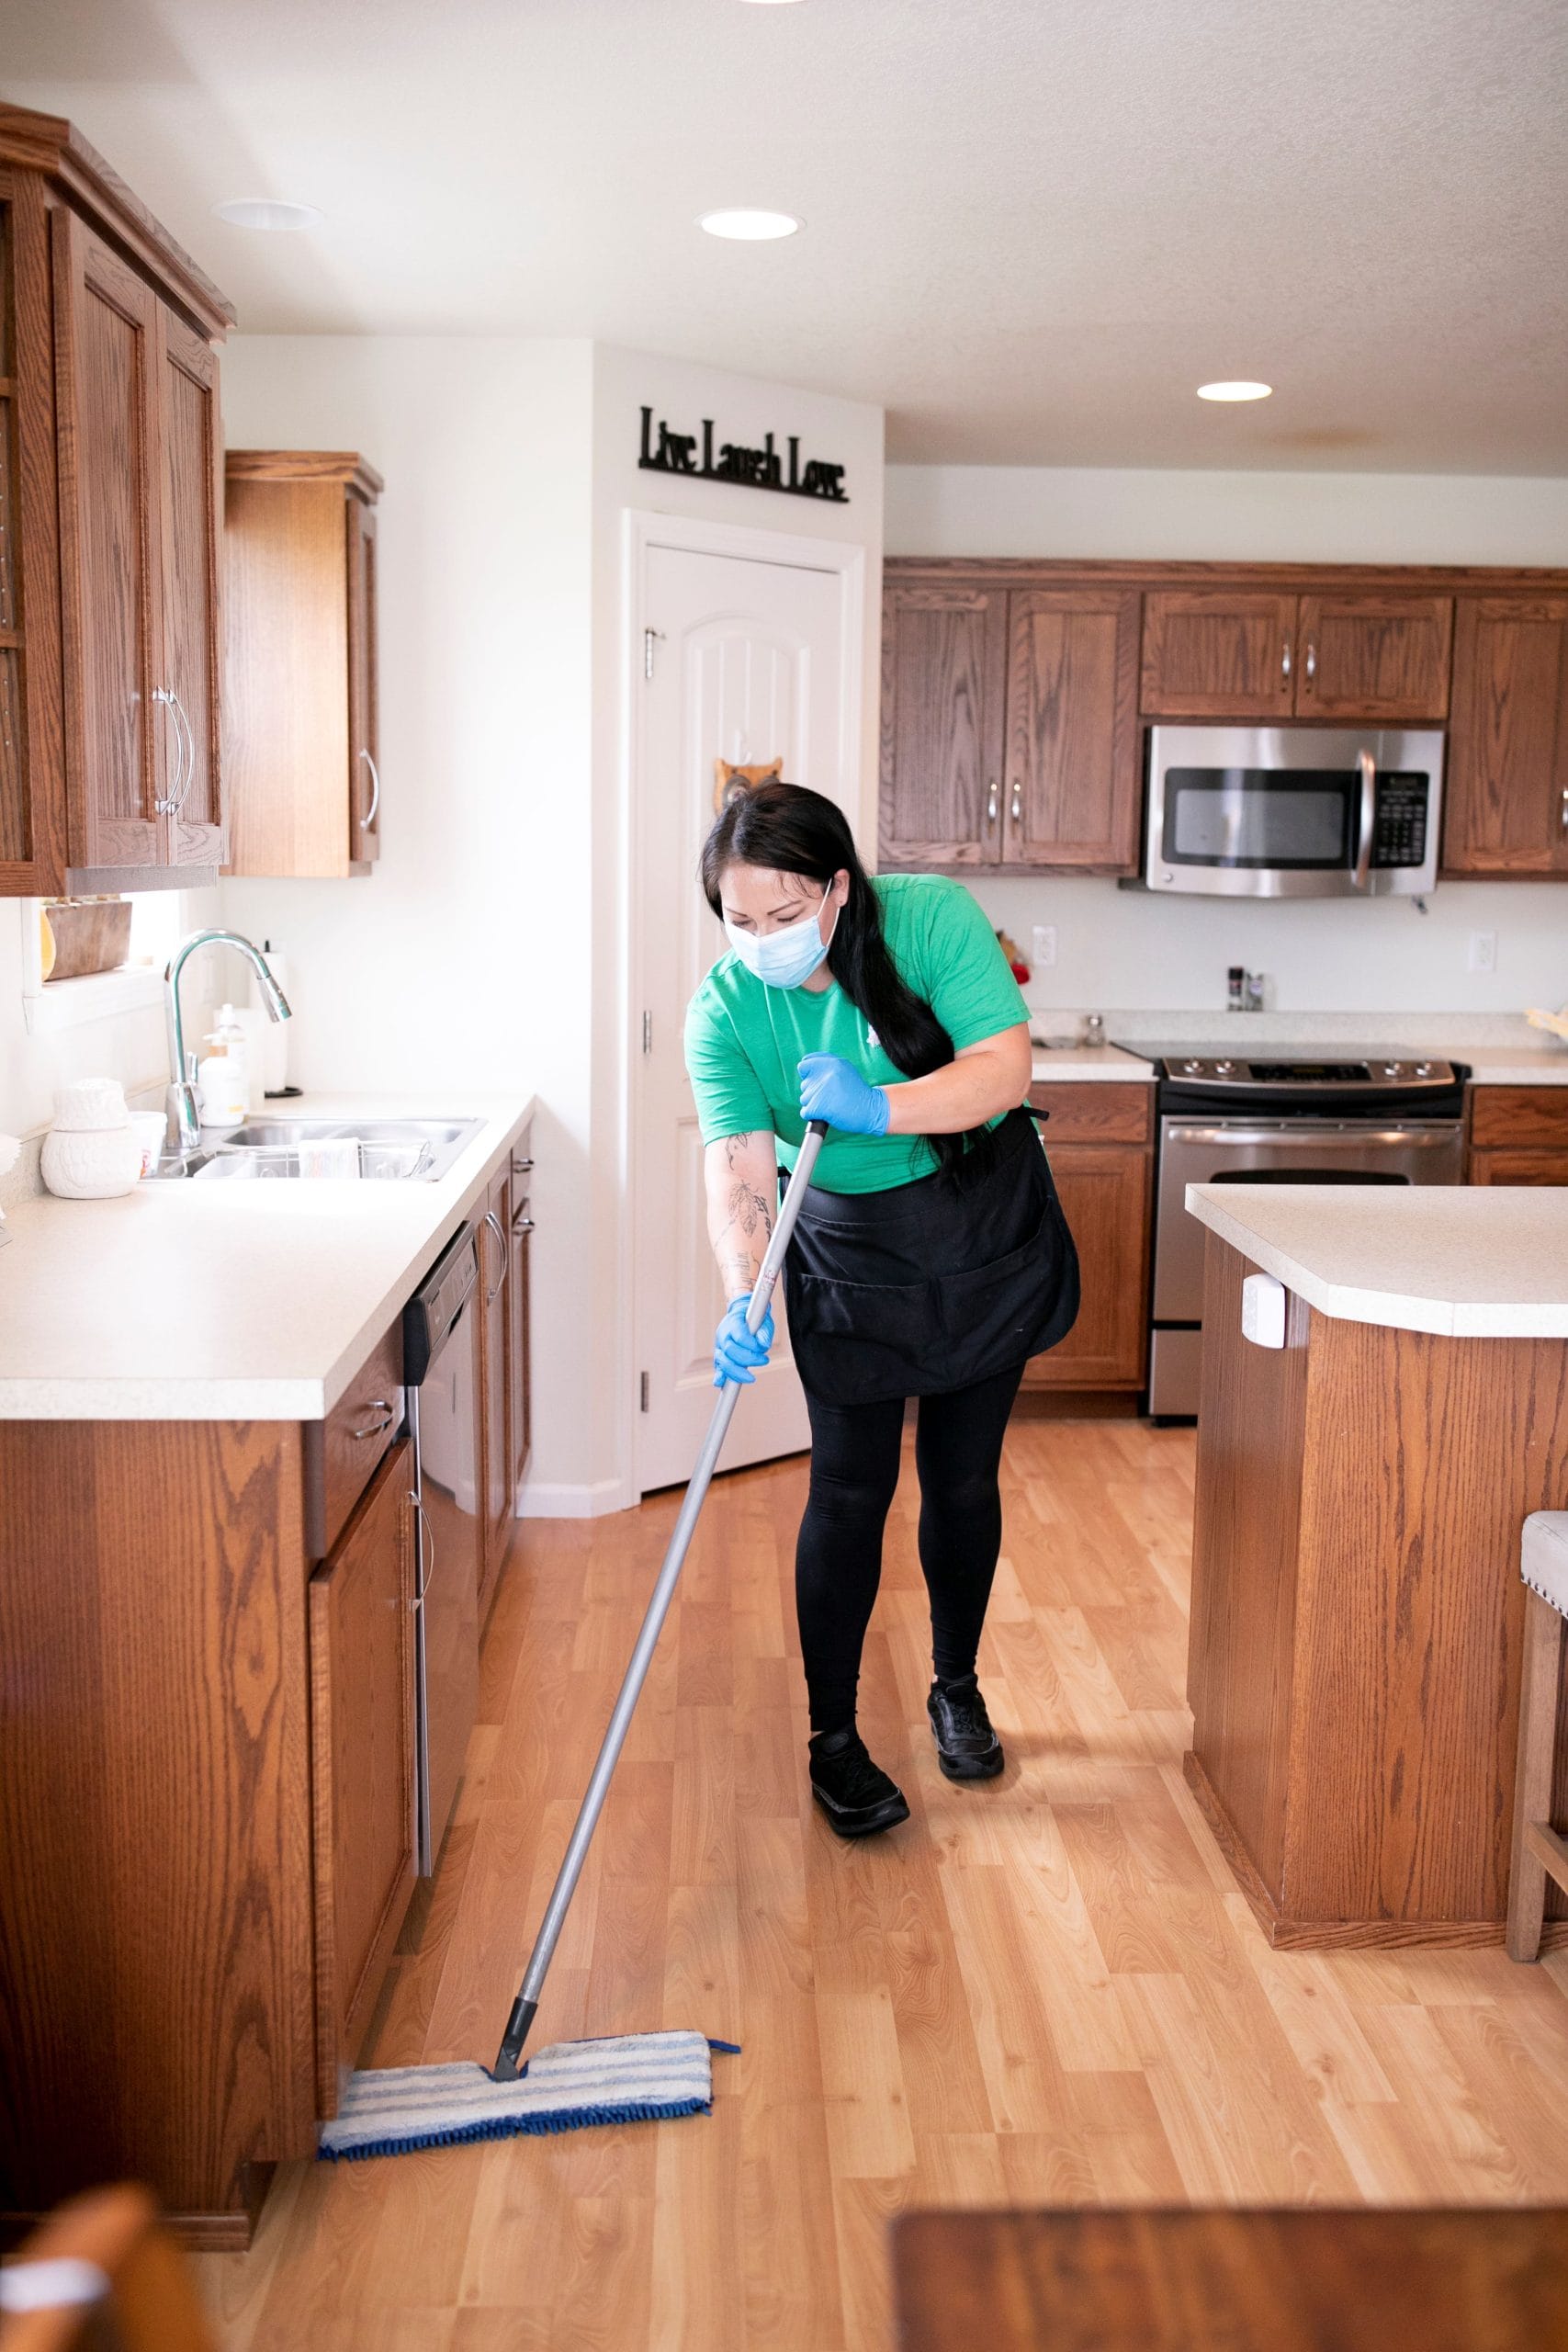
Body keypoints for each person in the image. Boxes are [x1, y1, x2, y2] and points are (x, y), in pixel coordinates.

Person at [684, 781, 1078, 1838]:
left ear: (839, 889)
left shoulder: (928, 919)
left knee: (960, 1476)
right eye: (739, 921)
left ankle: (957, 1688)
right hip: (848, 1250)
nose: (762, 940)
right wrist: (740, 1292)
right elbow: (735, 1166)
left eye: (785, 914)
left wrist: (880, 1106)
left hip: (976, 1222)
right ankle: (834, 1740)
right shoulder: (725, 1011)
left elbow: (1003, 1069)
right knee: (848, 1491)